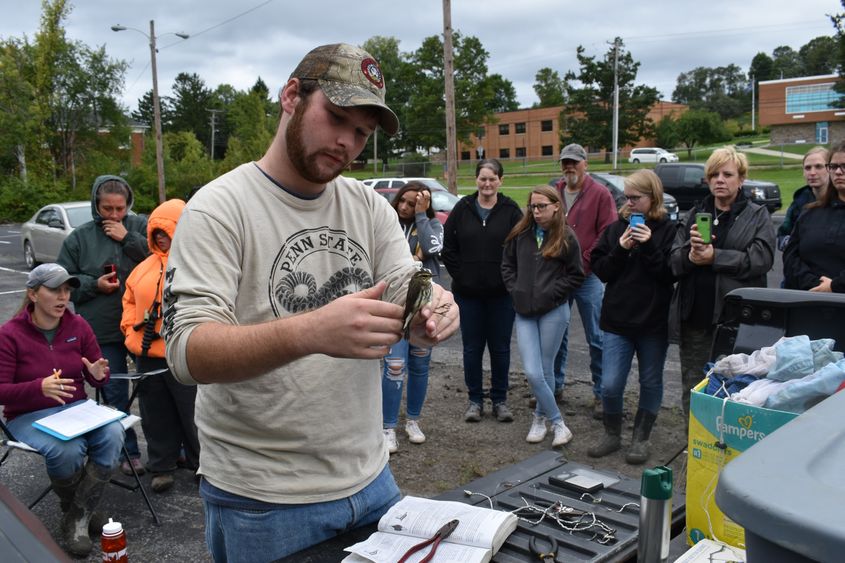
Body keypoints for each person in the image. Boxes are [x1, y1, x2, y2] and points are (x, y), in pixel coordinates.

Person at [159, 43, 459, 561]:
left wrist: (429, 308)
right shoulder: (219, 208)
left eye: (361, 133)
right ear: (292, 96)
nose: (346, 143)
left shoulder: (369, 206)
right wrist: (308, 331)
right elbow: (186, 353)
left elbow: (402, 284)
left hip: (372, 481)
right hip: (262, 499)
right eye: (337, 118)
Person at [0, 263, 122, 556]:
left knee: (114, 433)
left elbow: (98, 374)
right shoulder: (9, 334)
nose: (63, 297)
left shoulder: (78, 325)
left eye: (67, 290)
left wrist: (96, 373)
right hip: (27, 416)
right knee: (66, 449)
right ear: (32, 294)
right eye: (55, 289)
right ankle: (79, 514)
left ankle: (76, 515)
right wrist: (37, 387)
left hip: (78, 410)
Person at [669, 146, 775, 418]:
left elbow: (761, 259)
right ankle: (694, 448)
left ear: (741, 179)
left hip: (735, 322)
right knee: (692, 389)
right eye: (713, 174)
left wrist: (716, 257)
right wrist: (692, 256)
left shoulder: (757, 215)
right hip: (694, 319)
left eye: (727, 174)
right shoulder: (695, 213)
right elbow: (672, 261)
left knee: (733, 388)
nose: (719, 179)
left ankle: (727, 449)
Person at [57, 175, 148, 476]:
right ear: (96, 204)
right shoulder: (79, 238)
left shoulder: (139, 227)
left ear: (128, 205)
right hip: (102, 329)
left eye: (119, 208)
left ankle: (169, 452)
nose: (113, 215)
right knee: (115, 393)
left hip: (142, 324)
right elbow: (63, 282)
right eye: (107, 208)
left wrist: (127, 238)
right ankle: (128, 451)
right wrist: (93, 284)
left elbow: (160, 259)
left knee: (154, 388)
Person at [588, 170, 676, 464]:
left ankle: (641, 438)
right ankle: (612, 434)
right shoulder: (616, 230)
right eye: (627, 197)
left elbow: (668, 273)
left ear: (653, 197)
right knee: (611, 383)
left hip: (653, 322)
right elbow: (601, 269)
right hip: (617, 321)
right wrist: (621, 249)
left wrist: (649, 244)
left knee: (650, 381)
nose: (630, 203)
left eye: (636, 197)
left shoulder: (668, 230)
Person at [121, 198, 200, 493]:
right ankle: (162, 466)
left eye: (168, 234)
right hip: (147, 356)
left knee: (193, 413)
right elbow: (128, 301)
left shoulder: (195, 265)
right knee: (155, 414)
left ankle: (201, 463)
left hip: (184, 355)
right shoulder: (142, 269)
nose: (162, 240)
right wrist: (130, 333)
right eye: (157, 235)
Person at [442, 158, 523, 423]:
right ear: (476, 180)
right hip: (469, 295)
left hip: (501, 296)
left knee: (500, 349)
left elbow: (520, 249)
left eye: (492, 178)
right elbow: (449, 247)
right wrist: (462, 276)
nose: (487, 184)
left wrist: (509, 279)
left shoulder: (511, 211)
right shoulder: (462, 208)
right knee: (472, 349)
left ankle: (500, 400)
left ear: (501, 180)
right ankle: (474, 400)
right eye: (482, 178)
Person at [501, 186, 584, 446]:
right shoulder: (520, 234)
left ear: (556, 206)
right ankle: (559, 423)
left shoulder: (566, 236)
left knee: (546, 368)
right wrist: (516, 290)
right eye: (533, 207)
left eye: (542, 206)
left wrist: (552, 293)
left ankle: (540, 419)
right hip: (524, 311)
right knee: (533, 372)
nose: (536, 212)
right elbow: (507, 265)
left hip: (553, 312)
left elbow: (576, 274)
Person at [552, 144, 617, 419]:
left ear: (585, 164)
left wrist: (585, 263)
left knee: (597, 337)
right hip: (558, 275)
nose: (570, 168)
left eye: (575, 163)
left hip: (588, 277)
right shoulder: (555, 191)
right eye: (566, 163)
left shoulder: (600, 194)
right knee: (556, 334)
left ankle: (601, 393)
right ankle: (554, 388)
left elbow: (607, 232)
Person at [381, 182, 444, 453]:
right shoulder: (388, 225)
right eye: (403, 202)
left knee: (420, 365)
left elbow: (432, 248)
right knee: (394, 365)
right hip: (395, 304)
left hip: (423, 305)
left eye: (413, 203)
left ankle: (413, 421)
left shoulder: (433, 225)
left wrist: (422, 215)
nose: (406, 207)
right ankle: (388, 427)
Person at [784, 141, 845, 293]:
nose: (838, 172)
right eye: (834, 166)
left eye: (844, 166)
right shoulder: (809, 213)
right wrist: (813, 284)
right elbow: (790, 256)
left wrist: (834, 286)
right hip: (809, 302)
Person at [777, 146, 828, 251]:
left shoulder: (841, 199)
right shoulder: (799, 201)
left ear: (830, 168)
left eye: (818, 166)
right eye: (808, 168)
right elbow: (783, 235)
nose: (812, 173)